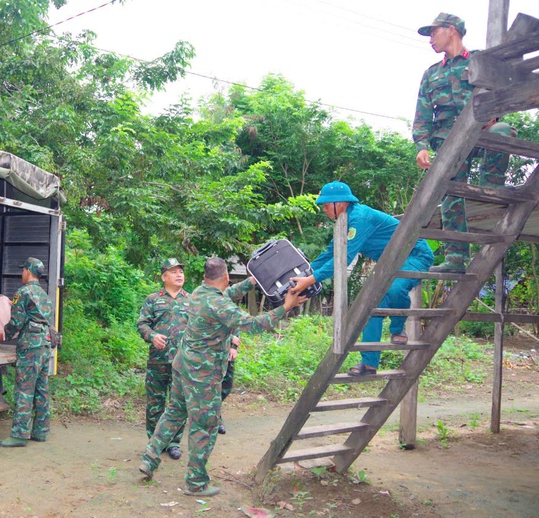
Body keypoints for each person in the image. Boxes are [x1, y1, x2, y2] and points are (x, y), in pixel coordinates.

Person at [138, 258, 307, 497]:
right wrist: (285, 307)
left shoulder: (200, 292)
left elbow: (226, 294)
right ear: (226, 277)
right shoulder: (218, 305)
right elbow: (253, 325)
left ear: (206, 277)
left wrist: (252, 281)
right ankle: (196, 483)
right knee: (204, 426)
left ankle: (149, 458)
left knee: (174, 412)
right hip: (202, 375)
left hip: (182, 365)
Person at [288, 181, 434, 376]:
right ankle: (369, 363)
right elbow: (331, 253)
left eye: (325, 205)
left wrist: (312, 279)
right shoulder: (344, 222)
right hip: (390, 265)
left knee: (395, 289)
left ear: (339, 204)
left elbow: (343, 258)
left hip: (415, 255)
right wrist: (305, 273)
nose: (323, 210)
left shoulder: (360, 219)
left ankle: (397, 328)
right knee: (372, 308)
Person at [413, 12, 514, 273]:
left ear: (452, 30)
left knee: (504, 130)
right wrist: (421, 146)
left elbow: (503, 90)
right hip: (447, 141)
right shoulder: (431, 73)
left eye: (434, 32)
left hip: (479, 131)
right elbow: (423, 114)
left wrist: (495, 114)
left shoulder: (480, 60)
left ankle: (491, 188)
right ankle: (455, 258)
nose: (430, 39)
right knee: (451, 192)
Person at [0, 257, 54, 447]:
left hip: (30, 347)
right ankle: (40, 431)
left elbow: (16, 322)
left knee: (24, 390)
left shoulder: (23, 292)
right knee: (41, 389)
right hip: (45, 345)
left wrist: (3, 334)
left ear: (28, 271)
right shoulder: (44, 294)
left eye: (23, 270)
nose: (22, 274)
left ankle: (19, 435)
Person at [136, 258, 190, 460]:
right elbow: (142, 324)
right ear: (164, 277)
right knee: (155, 403)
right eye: (174, 272)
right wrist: (152, 336)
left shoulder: (192, 300)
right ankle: (155, 442)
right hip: (158, 361)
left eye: (181, 271)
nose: (179, 275)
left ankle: (174, 442)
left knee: (178, 403)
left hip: (182, 362)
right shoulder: (153, 300)